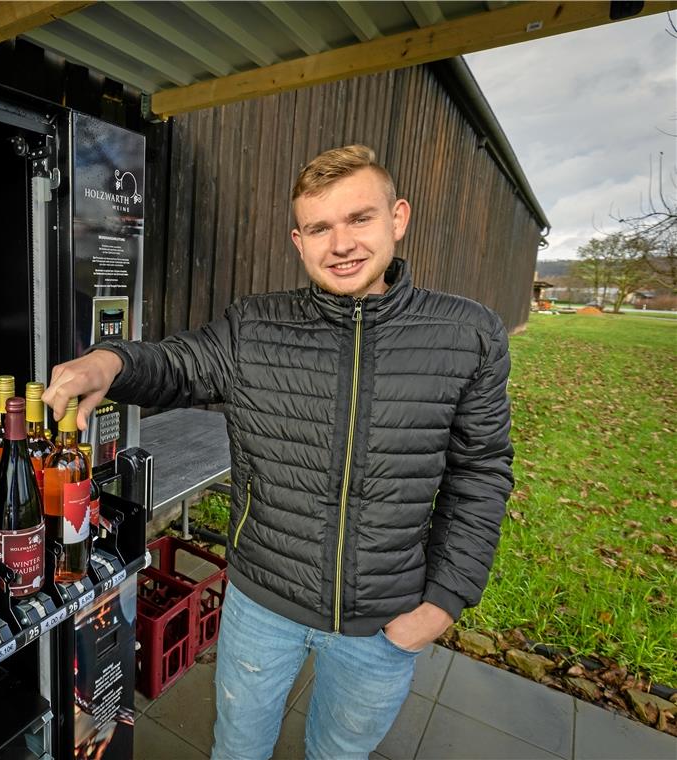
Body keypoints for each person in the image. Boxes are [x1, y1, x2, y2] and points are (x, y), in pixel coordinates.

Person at [42, 144, 514, 759]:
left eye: (359, 219)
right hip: (262, 606)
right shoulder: (255, 328)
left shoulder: (469, 335)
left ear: (398, 217)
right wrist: (110, 360)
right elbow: (178, 364)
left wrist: (444, 601)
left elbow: (480, 473)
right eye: (320, 227)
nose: (340, 244)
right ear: (298, 240)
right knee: (238, 749)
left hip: (384, 620)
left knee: (338, 755)